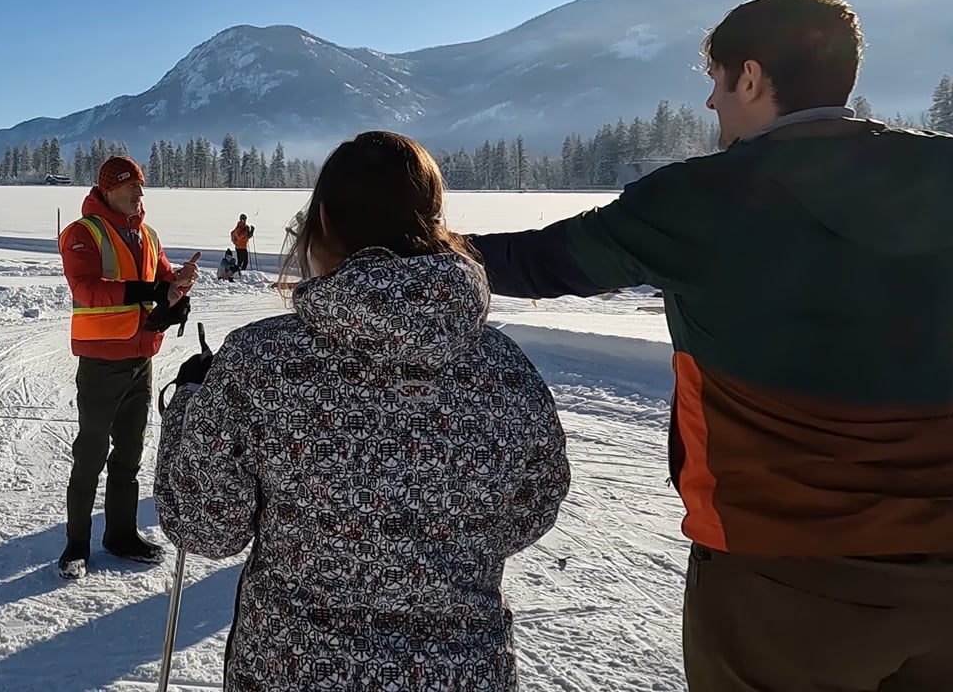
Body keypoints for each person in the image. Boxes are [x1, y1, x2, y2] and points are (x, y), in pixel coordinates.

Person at [467, 0, 953, 691]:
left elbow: (543, 261)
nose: (711, 102)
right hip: (949, 584)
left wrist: (416, 243)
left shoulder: (707, 197)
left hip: (783, 588)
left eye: (716, 81)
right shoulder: (936, 178)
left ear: (749, 77)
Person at [156, 131, 569, 691]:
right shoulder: (505, 367)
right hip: (463, 674)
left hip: (293, 672)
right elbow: (533, 506)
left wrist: (189, 408)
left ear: (323, 221)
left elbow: (205, 526)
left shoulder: (261, 361)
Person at [57, 155, 198, 579]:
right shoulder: (83, 233)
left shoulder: (148, 235)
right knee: (90, 454)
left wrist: (179, 286)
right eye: (131, 186)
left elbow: (164, 280)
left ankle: (120, 535)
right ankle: (76, 545)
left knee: (130, 453)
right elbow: (87, 289)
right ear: (108, 189)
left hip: (141, 357)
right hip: (101, 361)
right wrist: (148, 289)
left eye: (141, 186)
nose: (140, 193)